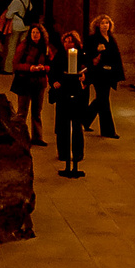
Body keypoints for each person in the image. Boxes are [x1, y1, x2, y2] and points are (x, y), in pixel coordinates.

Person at [52, 30, 88, 177]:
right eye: (66, 41)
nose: (68, 44)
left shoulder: (82, 56)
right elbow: (53, 72)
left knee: (77, 124)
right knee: (62, 124)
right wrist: (55, 81)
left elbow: (87, 71)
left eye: (71, 42)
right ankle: (64, 153)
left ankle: (78, 153)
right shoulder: (59, 56)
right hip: (63, 94)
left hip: (77, 94)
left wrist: (84, 78)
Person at [11, 22, 53, 146]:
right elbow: (16, 64)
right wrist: (30, 68)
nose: (35, 35)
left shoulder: (45, 48)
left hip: (39, 82)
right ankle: (19, 136)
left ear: (41, 34)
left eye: (37, 32)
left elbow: (52, 64)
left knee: (37, 111)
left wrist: (44, 67)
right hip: (25, 81)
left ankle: (37, 137)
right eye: (33, 32)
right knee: (22, 111)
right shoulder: (24, 46)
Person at [82, 14, 123, 138]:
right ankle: (108, 130)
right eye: (102, 23)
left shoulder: (111, 38)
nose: (105, 25)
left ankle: (85, 118)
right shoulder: (93, 39)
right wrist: (96, 54)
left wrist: (118, 72)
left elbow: (116, 56)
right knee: (104, 100)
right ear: (97, 25)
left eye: (107, 23)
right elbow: (86, 54)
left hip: (109, 73)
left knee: (101, 99)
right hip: (98, 73)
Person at [0, 0, 32, 74]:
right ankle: (21, 67)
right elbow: (30, 9)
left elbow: (8, 15)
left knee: (11, 47)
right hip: (26, 26)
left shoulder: (16, 1)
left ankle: (8, 69)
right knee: (22, 47)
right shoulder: (28, 0)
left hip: (16, 26)